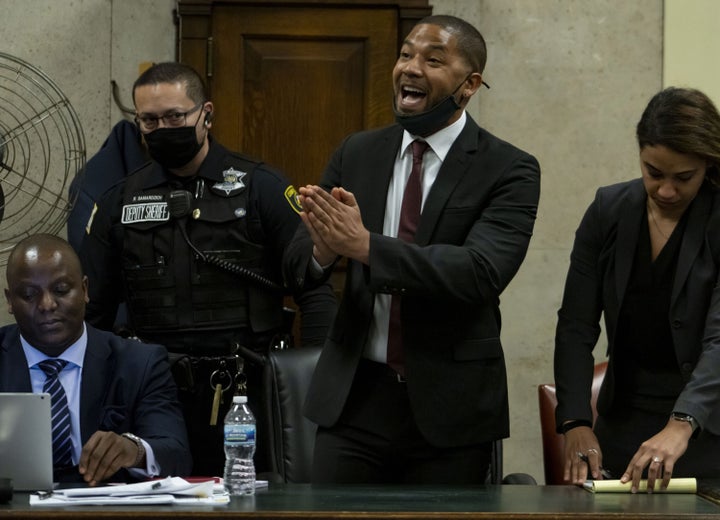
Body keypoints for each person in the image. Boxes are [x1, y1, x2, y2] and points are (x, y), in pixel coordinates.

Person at [283, 15, 541, 484]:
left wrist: (364, 247)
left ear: (470, 84)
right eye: (405, 54)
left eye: (433, 59)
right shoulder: (357, 152)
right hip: (353, 403)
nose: (411, 68)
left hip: (450, 413)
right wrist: (322, 250)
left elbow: (479, 272)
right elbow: (298, 267)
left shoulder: (510, 169)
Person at [79, 62, 337, 476]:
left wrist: (313, 382)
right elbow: (94, 311)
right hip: (153, 391)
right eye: (149, 120)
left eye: (175, 117)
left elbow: (314, 287)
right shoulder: (119, 201)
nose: (162, 128)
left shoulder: (261, 186)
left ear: (206, 113)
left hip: (245, 390)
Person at [554, 87, 720, 493]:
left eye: (684, 178)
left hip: (708, 425)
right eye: (653, 172)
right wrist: (576, 421)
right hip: (623, 421)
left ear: (708, 165)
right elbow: (576, 325)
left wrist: (683, 423)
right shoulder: (608, 210)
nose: (665, 190)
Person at [0, 233, 191, 484]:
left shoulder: (140, 363)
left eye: (61, 290)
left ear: (85, 289)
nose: (47, 305)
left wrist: (134, 451)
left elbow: (176, 454)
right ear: (9, 301)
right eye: (28, 294)